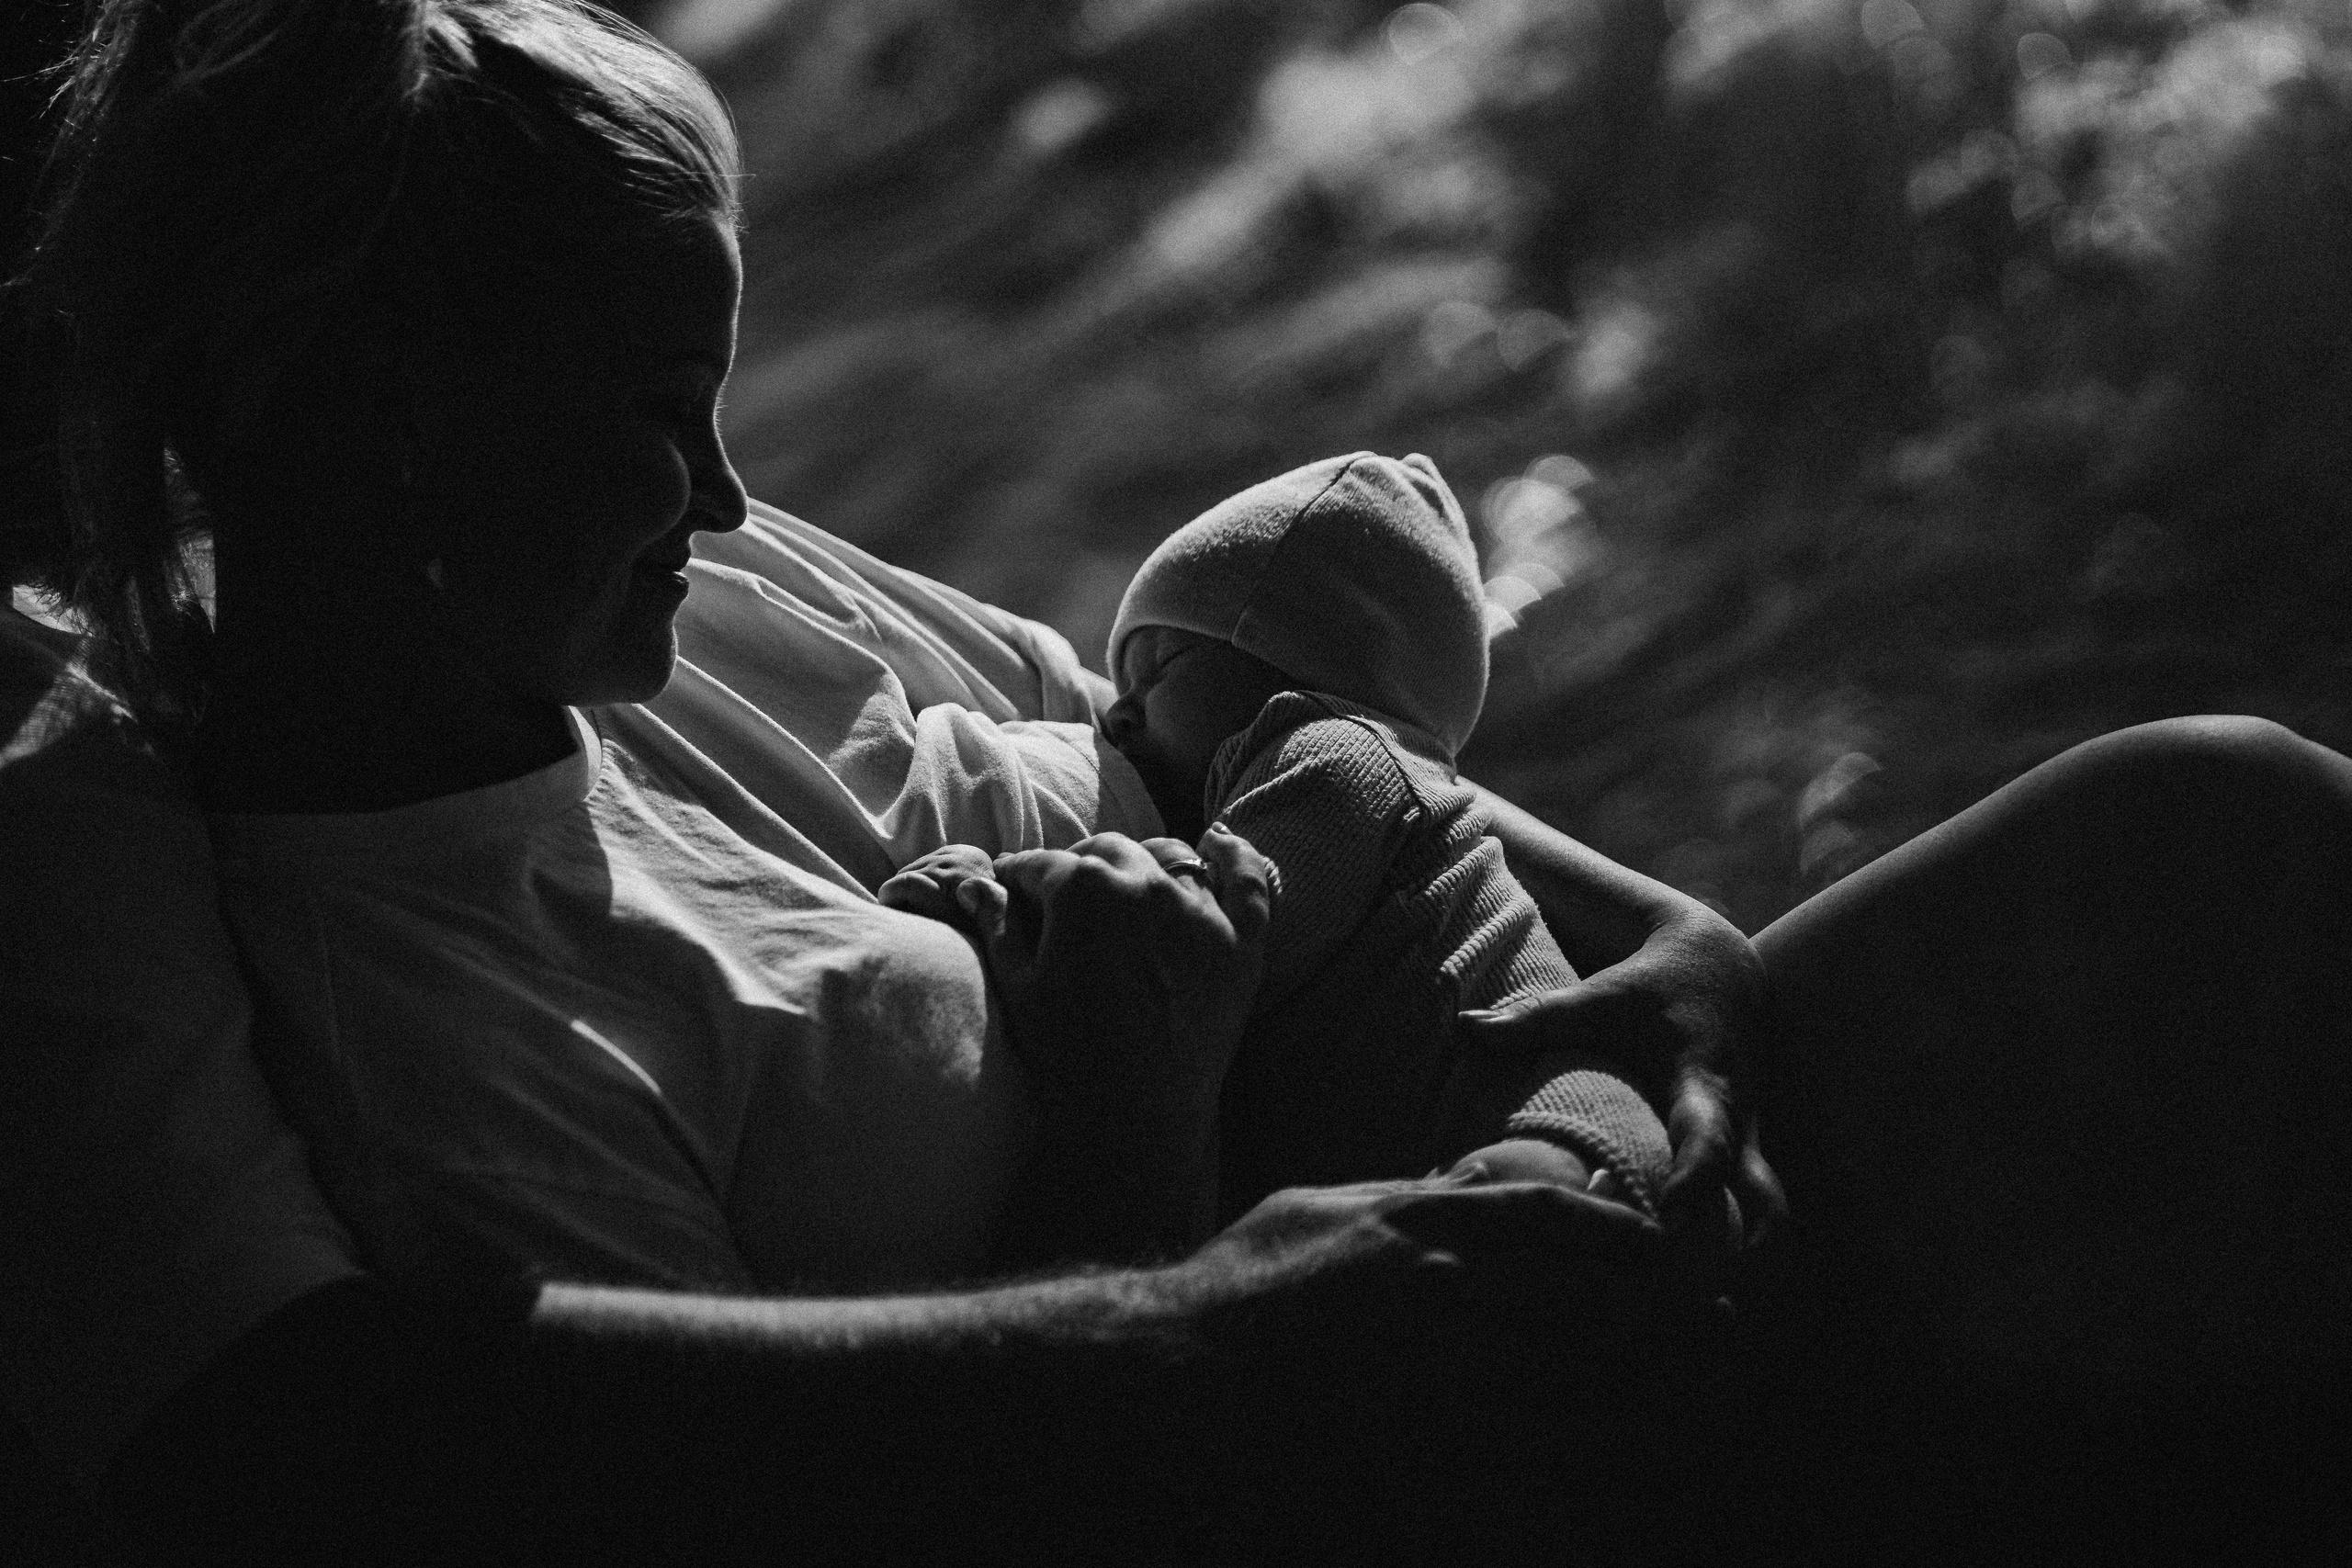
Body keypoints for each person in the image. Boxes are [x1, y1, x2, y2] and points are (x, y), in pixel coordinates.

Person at [6, 0, 2348, 1562]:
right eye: (652, 415)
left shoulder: (643, 601)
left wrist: (1673, 975)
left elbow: (1177, 733)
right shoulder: (348, 971)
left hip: (1485, 1192)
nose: (726, 490)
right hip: (1362, 1374)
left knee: (2210, 840)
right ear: (395, 420)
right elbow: (318, 1414)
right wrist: (1195, 1189)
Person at [885, 449, 1673, 1253]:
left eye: (1156, 673)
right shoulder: (1345, 784)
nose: (1114, 719)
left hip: (1561, 1137)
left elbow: (1188, 947)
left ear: (1291, 664)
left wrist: (993, 894)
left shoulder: (1340, 754)